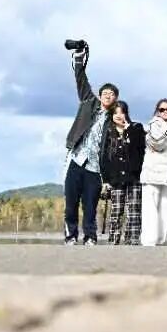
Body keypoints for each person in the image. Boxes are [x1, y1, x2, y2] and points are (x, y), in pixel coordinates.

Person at [62, 45, 118, 246]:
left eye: (112, 94)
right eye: (105, 92)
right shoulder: (88, 102)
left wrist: (109, 178)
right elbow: (81, 79)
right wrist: (79, 57)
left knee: (90, 205)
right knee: (71, 203)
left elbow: (114, 150)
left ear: (115, 99)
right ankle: (70, 235)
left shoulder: (114, 120)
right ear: (100, 95)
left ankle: (90, 236)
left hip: (95, 169)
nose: (108, 95)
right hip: (77, 159)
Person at [101, 101, 146, 245]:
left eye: (122, 112)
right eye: (115, 113)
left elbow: (140, 147)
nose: (119, 115)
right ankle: (113, 240)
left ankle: (132, 240)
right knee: (116, 211)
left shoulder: (136, 128)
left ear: (126, 113)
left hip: (134, 176)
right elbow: (103, 157)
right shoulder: (108, 132)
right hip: (115, 178)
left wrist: (128, 129)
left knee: (134, 211)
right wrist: (105, 180)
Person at [140, 99, 167, 247]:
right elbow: (158, 143)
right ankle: (149, 241)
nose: (165, 112)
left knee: (166, 207)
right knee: (150, 207)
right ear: (157, 112)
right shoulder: (155, 124)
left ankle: (160, 240)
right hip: (152, 172)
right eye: (162, 110)